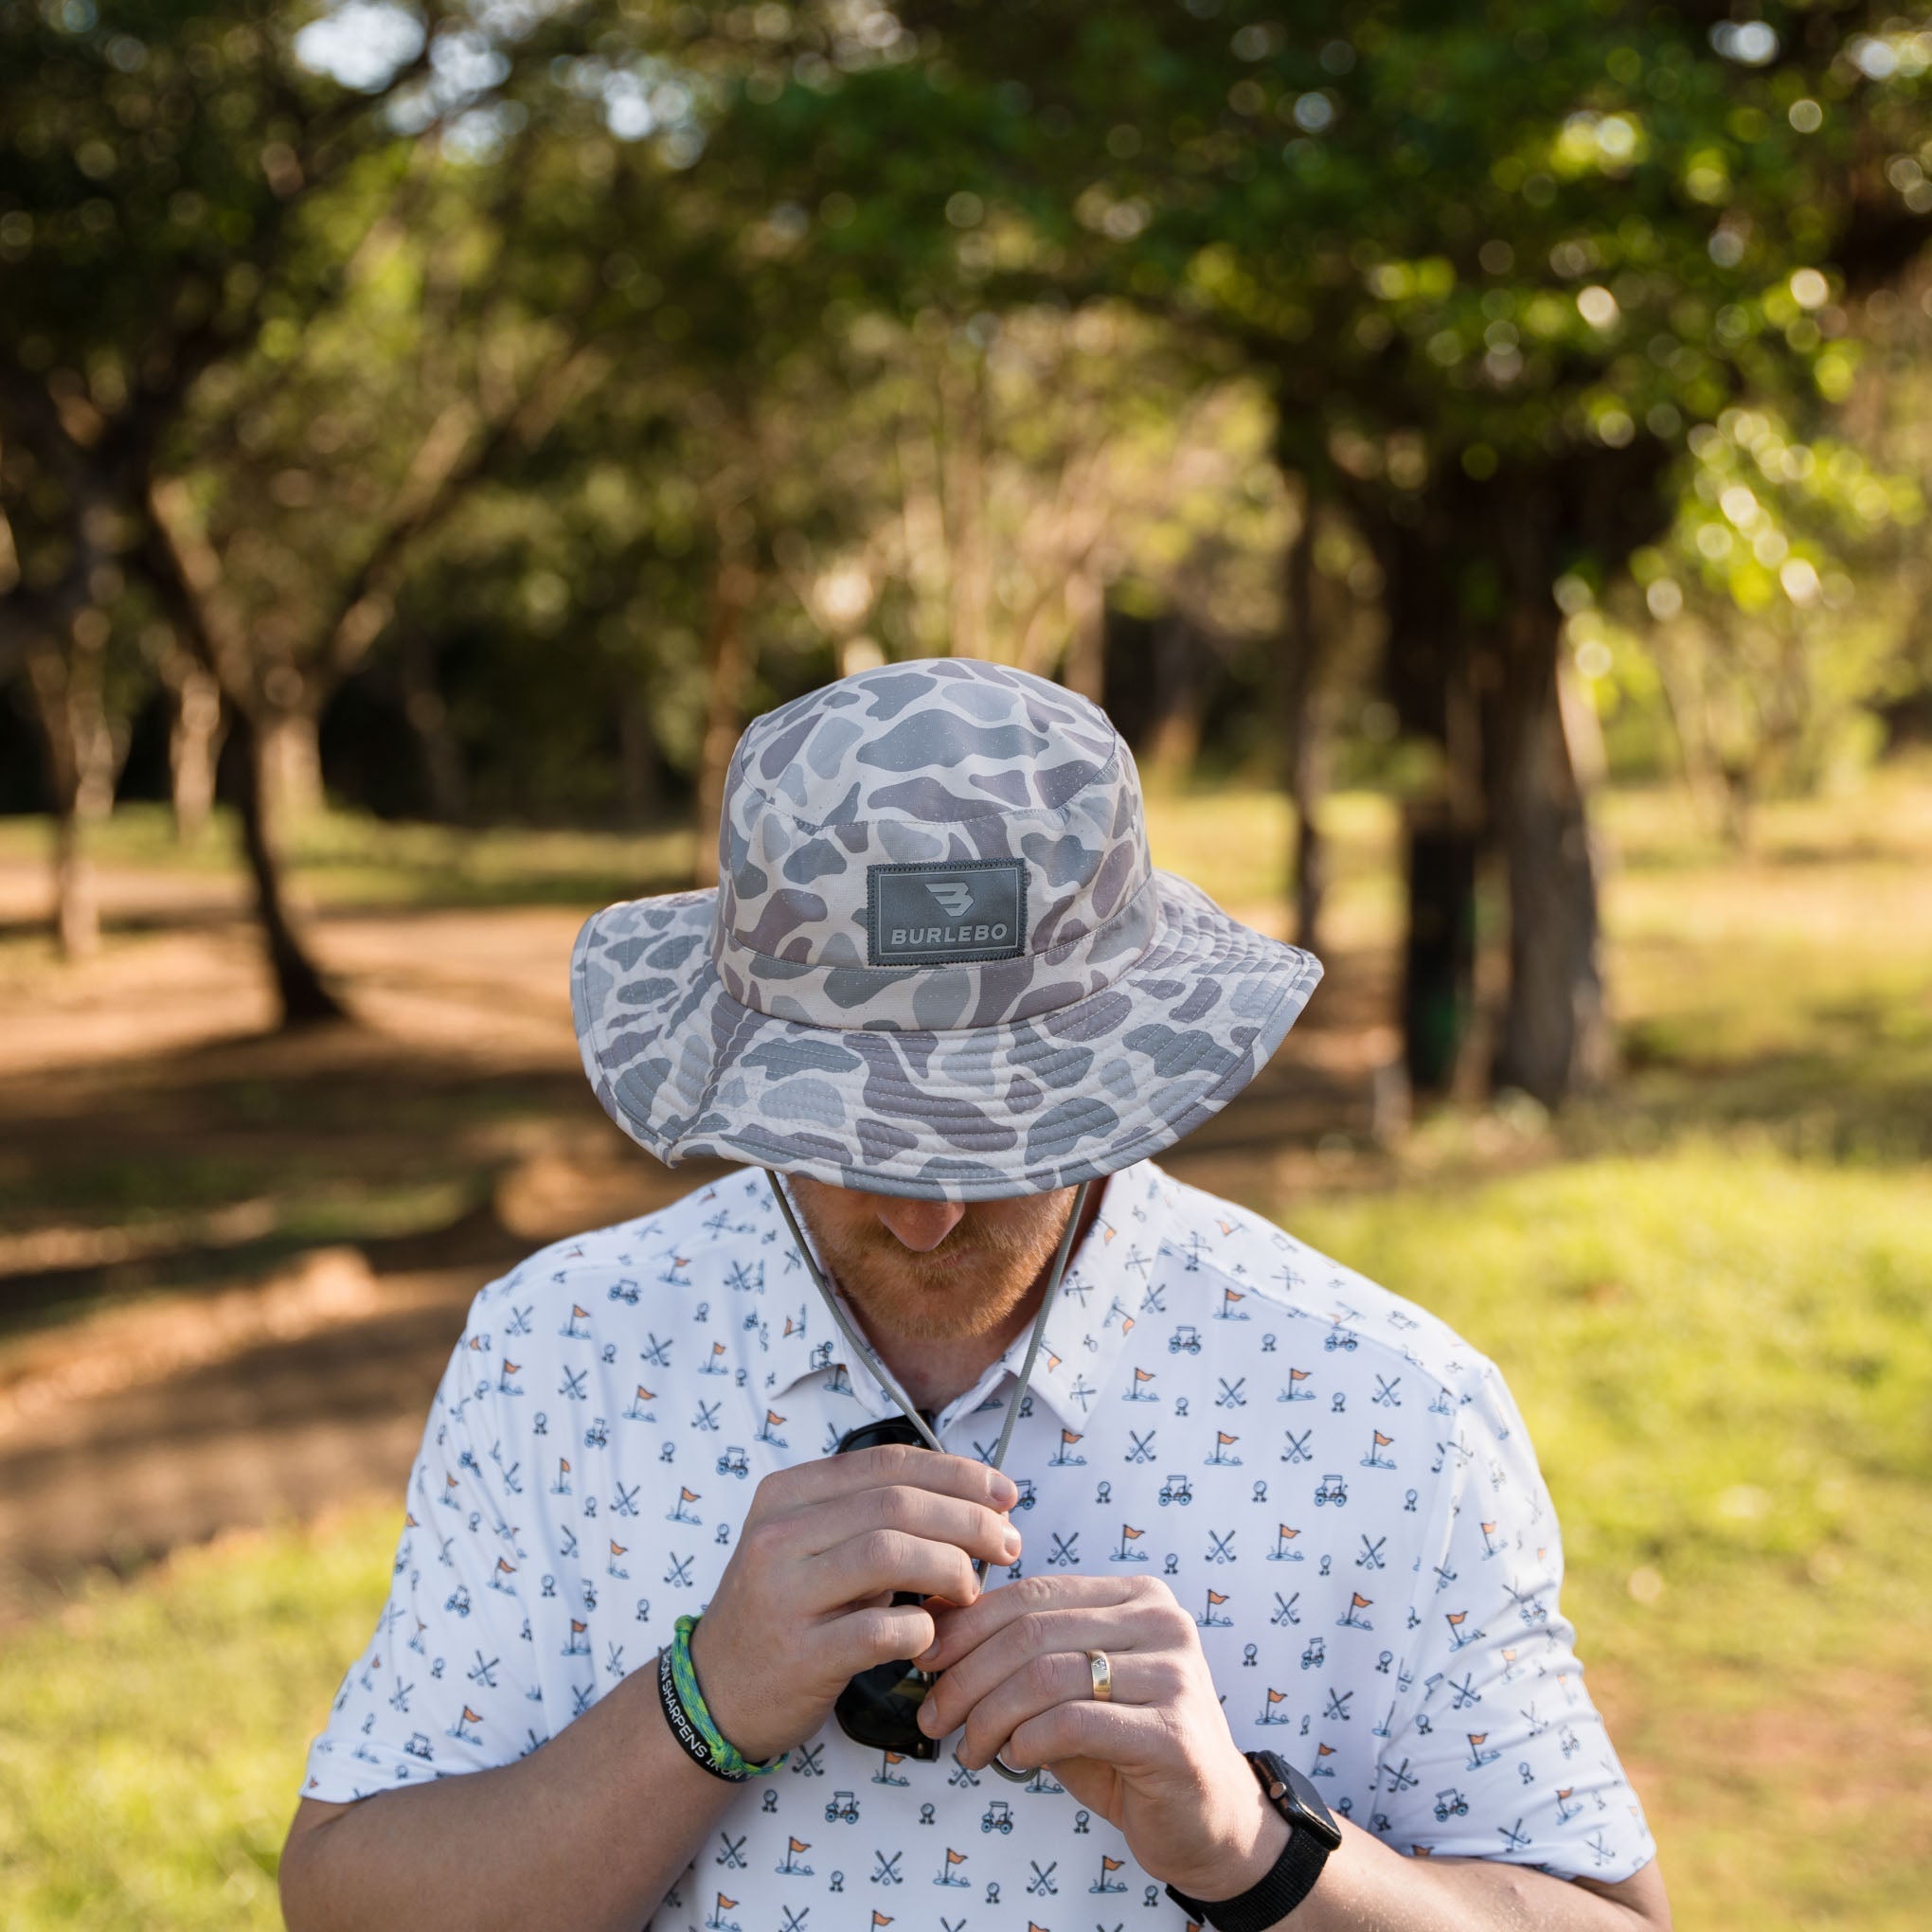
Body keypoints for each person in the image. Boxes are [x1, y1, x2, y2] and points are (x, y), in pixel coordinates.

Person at [280, 659, 1669, 1931]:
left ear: (1128, 1060)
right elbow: (347, 1905)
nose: (924, 1209)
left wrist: (1257, 1849)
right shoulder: (562, 1354)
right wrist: (698, 1705)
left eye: (1001, 1138)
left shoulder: (1384, 1408)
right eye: (843, 1134)